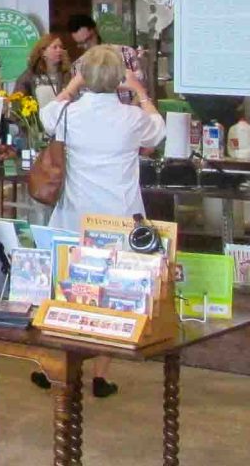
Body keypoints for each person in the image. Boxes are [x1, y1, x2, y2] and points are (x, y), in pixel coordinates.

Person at [32, 45, 165, 398]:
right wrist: (140, 92)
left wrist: (73, 84)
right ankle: (100, 376)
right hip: (119, 217)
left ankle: (58, 365)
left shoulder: (67, 113)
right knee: (110, 297)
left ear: (84, 76)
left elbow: (49, 112)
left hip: (75, 214)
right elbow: (158, 131)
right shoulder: (131, 117)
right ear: (120, 77)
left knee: (67, 291)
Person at [14, 33, 74, 103]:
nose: (59, 50)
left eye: (61, 47)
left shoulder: (67, 73)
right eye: (55, 47)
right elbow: (17, 100)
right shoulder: (30, 74)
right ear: (43, 52)